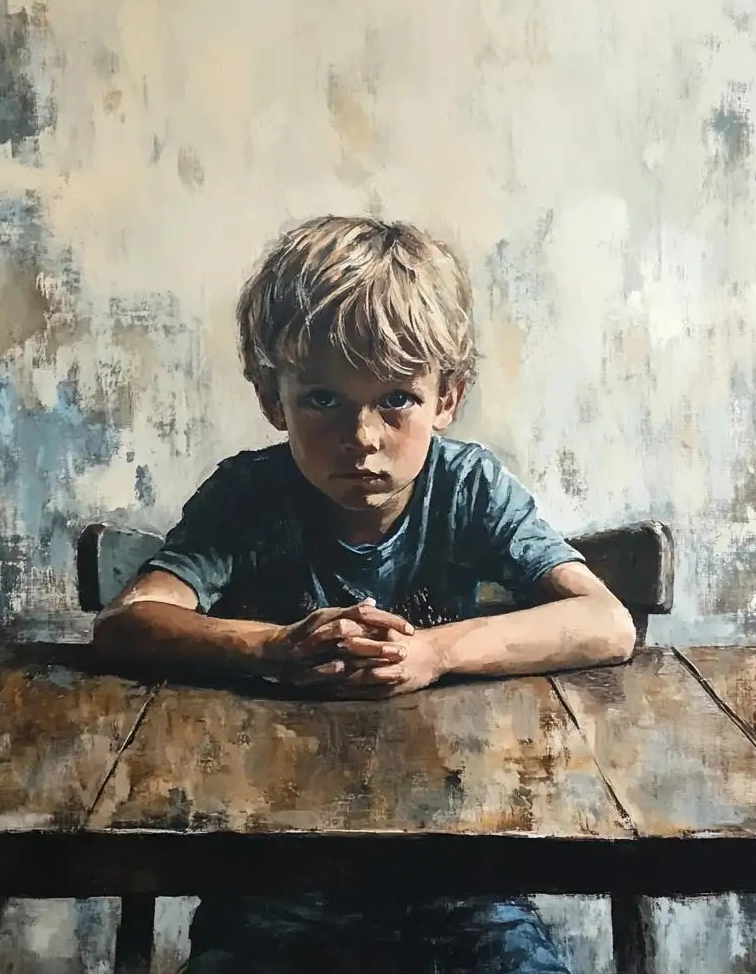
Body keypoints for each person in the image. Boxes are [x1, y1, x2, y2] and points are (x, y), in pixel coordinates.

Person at [92, 215, 635, 974]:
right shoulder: (251, 495)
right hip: (272, 867)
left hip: (459, 867)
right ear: (271, 399)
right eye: (322, 399)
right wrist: (273, 648)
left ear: (448, 396)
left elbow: (606, 621)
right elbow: (127, 623)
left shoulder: (467, 487)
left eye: (396, 400)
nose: (362, 435)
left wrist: (432, 652)